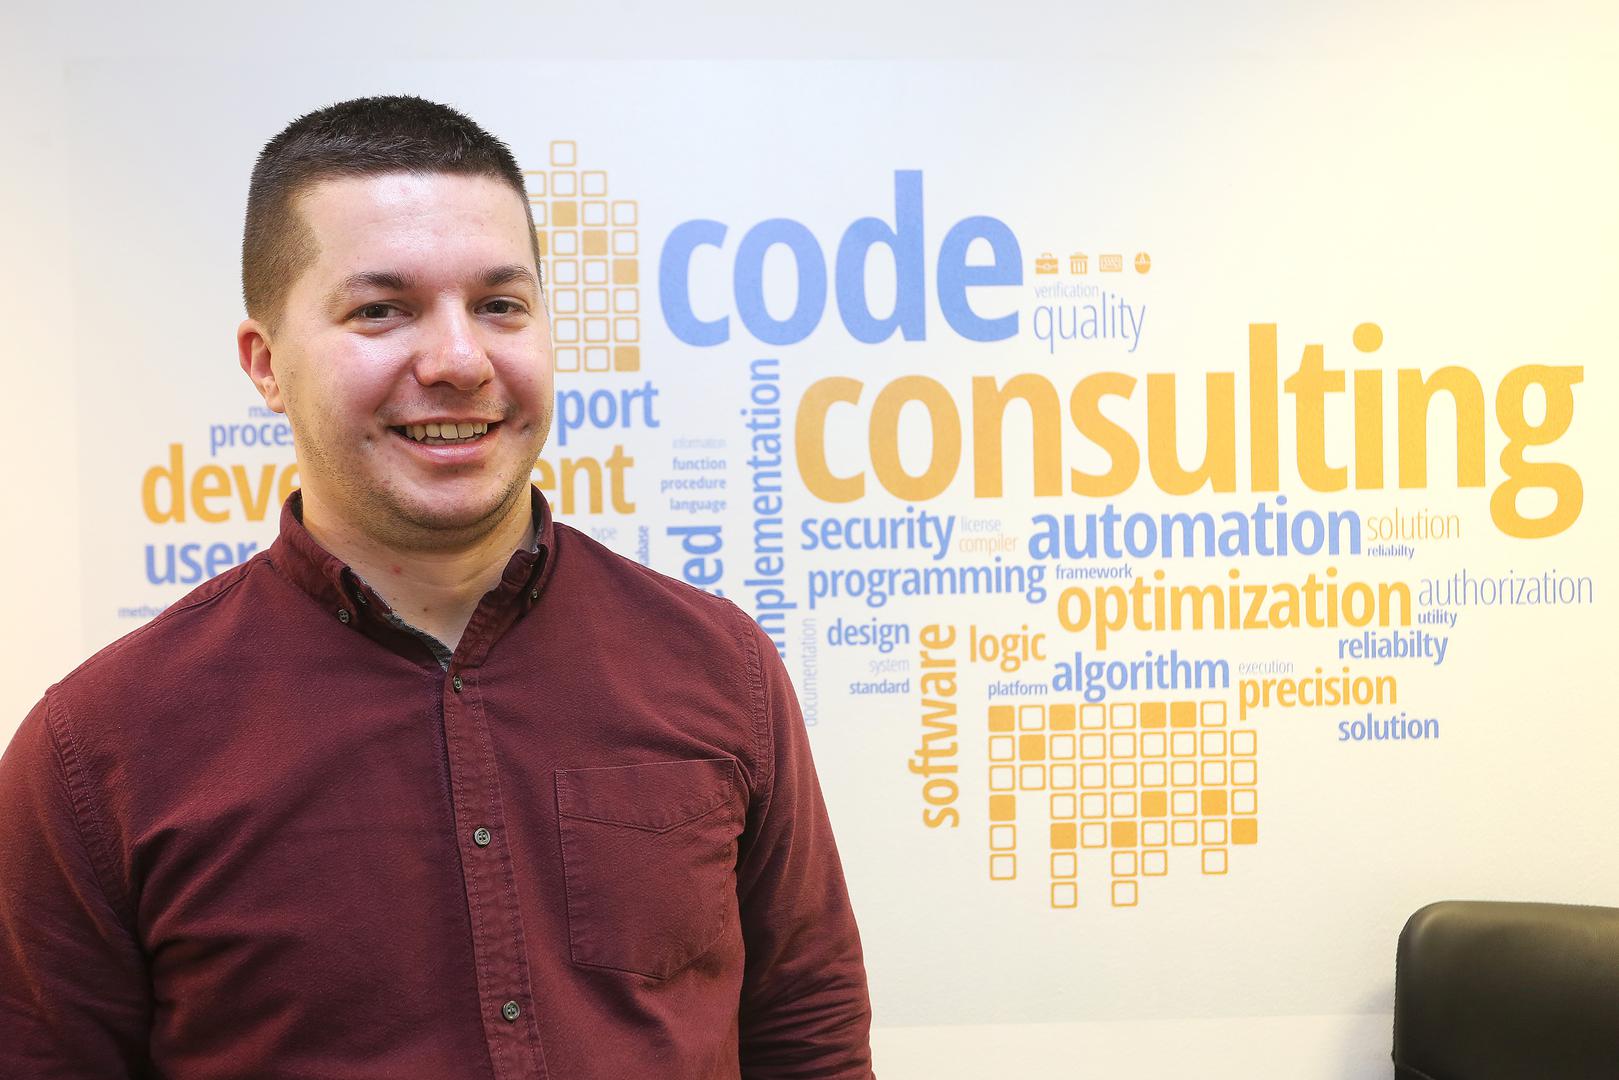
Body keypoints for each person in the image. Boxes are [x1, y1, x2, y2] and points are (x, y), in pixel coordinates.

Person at [0, 95, 875, 1079]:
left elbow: (807, 1036)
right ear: (265, 365)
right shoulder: (100, 748)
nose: (460, 360)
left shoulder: (717, 664)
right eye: (382, 309)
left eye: (500, 305)